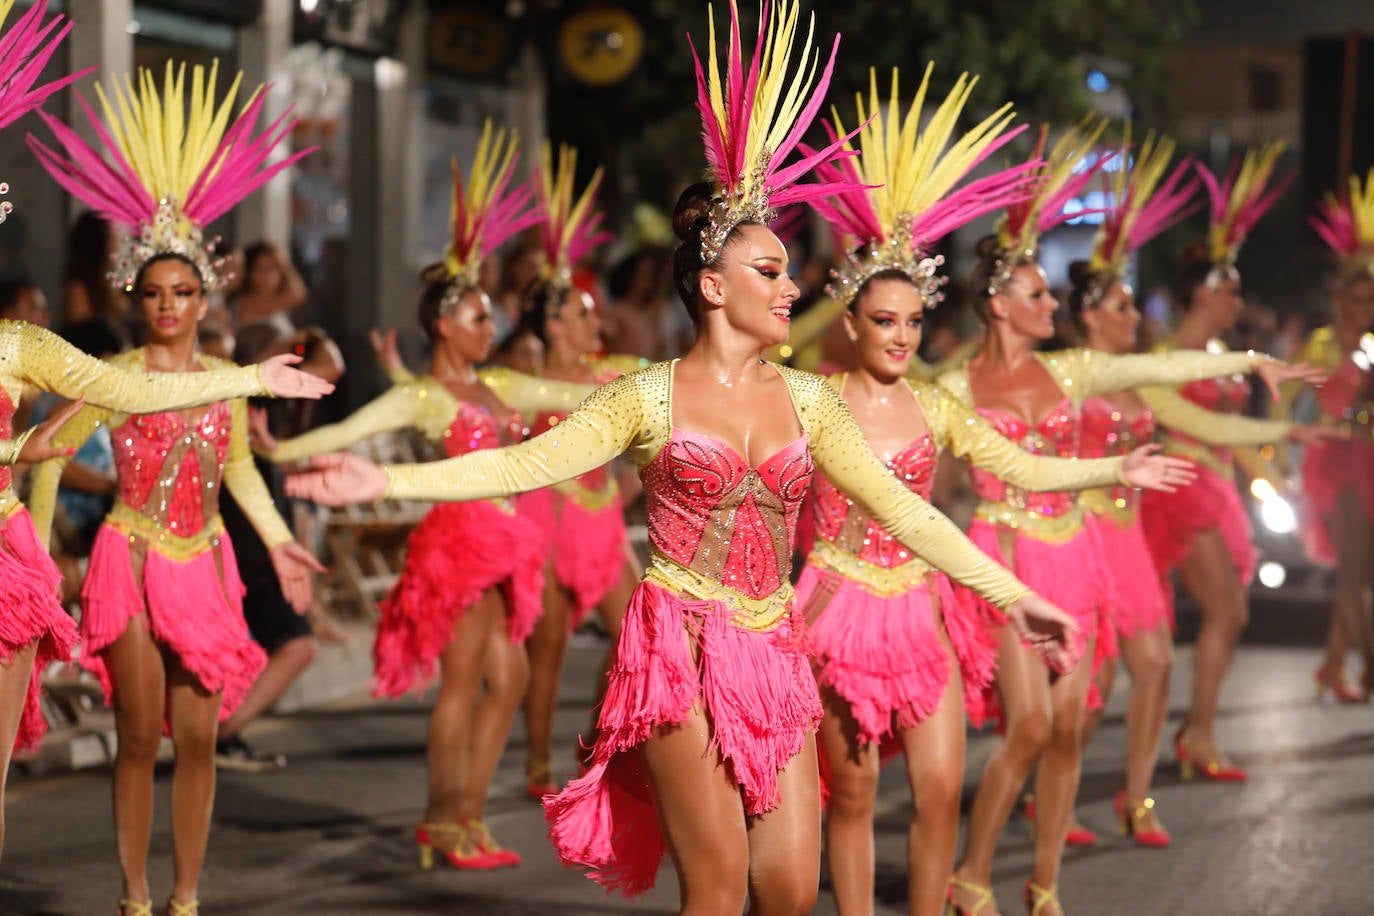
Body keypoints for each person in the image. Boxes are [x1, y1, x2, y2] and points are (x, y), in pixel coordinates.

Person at [284, 4, 1083, 909]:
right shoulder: (645, 396)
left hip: (772, 643)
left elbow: (908, 511)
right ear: (713, 286)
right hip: (678, 643)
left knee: (788, 888)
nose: (793, 286)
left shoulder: (811, 401)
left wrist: (1017, 597)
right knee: (719, 884)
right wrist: (381, 477)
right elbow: (519, 465)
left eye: (787, 270)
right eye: (770, 272)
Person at [797, 74, 1194, 916]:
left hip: (923, 604)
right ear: (852, 323)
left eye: (911, 321)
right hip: (836, 606)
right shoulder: (815, 403)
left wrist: (1111, 471)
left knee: (940, 787)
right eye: (883, 321)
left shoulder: (936, 404)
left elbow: (1027, 469)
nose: (901, 336)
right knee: (857, 794)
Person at [939, 128, 1325, 916]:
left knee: (1073, 726)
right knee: (1031, 728)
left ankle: (1044, 885)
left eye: (1054, 292)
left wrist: (1249, 366)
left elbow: (1164, 369)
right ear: (998, 305)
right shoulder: (950, 384)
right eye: (1040, 294)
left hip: (1074, 553)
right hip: (1006, 558)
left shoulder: (1072, 370)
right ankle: (971, 874)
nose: (1054, 304)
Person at [27, 59, 327, 916]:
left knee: (197, 739)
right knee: (135, 739)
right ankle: (132, 895)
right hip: (126, 557)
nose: (167, 305)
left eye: (182, 292)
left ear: (203, 299)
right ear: (138, 298)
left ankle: (186, 897)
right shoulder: (108, 374)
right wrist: (44, 556)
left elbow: (238, 470)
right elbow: (48, 451)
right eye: (154, 292)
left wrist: (276, 540)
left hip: (203, 562)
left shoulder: (231, 378)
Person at [253, 122, 593, 869]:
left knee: (508, 679)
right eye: (479, 317)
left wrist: (650, 383)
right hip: (462, 543)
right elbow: (358, 424)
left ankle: (465, 813)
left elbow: (570, 389)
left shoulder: (498, 382)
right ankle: (445, 822)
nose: (494, 324)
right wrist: (283, 447)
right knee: (466, 685)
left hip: (510, 543)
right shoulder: (427, 397)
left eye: (492, 316)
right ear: (446, 324)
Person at [1137, 144, 1318, 784]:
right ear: (1204, 294)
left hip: (1215, 485)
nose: (1239, 301)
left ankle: (1193, 730)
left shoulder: (1219, 349)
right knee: (1222, 613)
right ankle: (1193, 732)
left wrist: (1267, 471)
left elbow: (1230, 429)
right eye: (1231, 290)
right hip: (1183, 486)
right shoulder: (1163, 354)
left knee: (1220, 614)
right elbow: (1191, 424)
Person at [1299, 172, 1374, 700]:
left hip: (1370, 463)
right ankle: (1369, 663)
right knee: (1351, 570)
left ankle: (1330, 665)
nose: (1366, 307)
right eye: (1358, 297)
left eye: (1372, 298)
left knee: (1359, 567)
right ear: (1340, 299)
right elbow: (1287, 403)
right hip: (1332, 466)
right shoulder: (1319, 347)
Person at [231, 242, 307, 334]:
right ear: (249, 271)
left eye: (273, 268)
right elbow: (297, 295)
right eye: (261, 269)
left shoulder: (277, 303)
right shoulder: (245, 303)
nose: (268, 275)